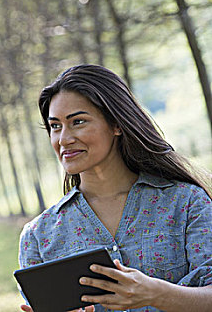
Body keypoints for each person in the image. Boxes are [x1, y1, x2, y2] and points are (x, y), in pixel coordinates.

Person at [18, 65, 212, 312]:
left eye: (78, 122)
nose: (64, 139)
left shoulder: (186, 203)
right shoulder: (38, 236)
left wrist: (156, 293)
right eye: (55, 126)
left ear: (116, 124)